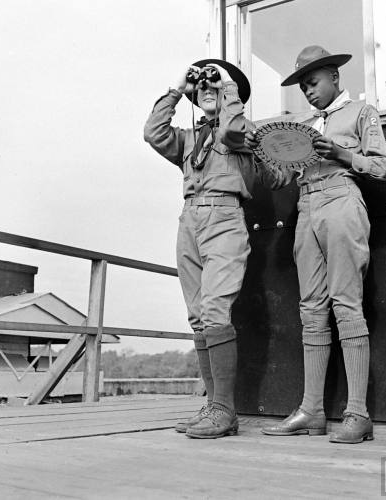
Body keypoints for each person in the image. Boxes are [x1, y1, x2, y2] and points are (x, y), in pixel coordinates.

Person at [246, 46, 386, 443]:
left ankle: (358, 414)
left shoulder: (361, 113)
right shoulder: (302, 126)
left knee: (346, 302)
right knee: (310, 307)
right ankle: (312, 410)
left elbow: (384, 168)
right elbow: (281, 179)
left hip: (343, 199)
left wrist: (345, 154)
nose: (308, 93)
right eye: (302, 87)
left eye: (312, 83)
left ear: (335, 78)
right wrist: (264, 157)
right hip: (307, 206)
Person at [144, 59, 284, 439]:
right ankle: (211, 405)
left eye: (215, 84)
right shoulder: (190, 138)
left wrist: (227, 90)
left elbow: (235, 130)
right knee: (197, 316)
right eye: (201, 85)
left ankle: (225, 410)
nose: (207, 88)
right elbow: (153, 133)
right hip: (189, 219)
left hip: (224, 218)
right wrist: (176, 88)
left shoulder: (240, 129)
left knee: (215, 309)